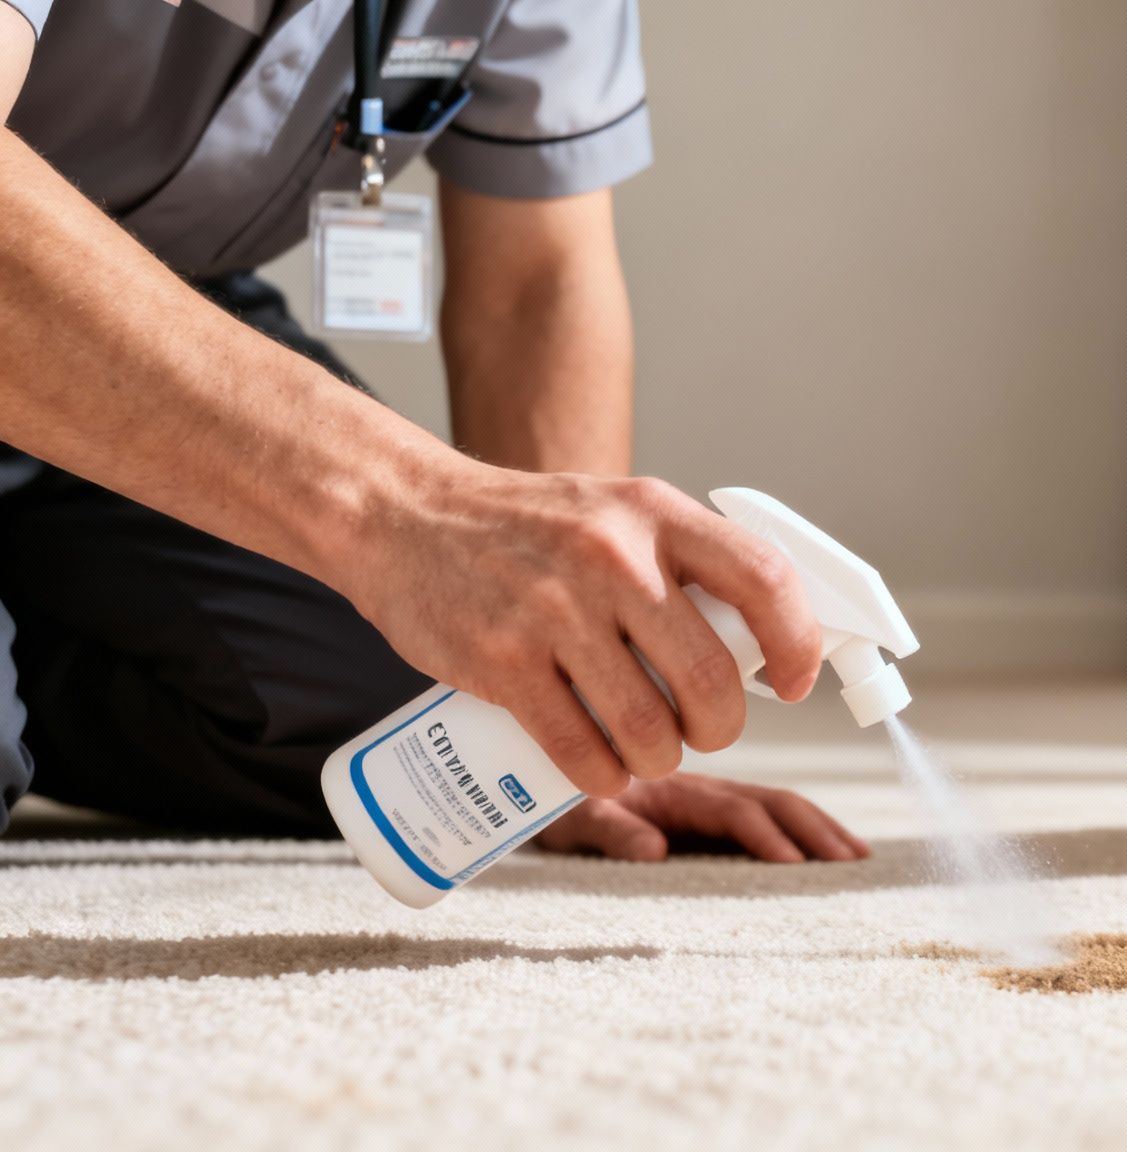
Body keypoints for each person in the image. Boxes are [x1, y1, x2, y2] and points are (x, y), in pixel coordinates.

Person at [0, 0, 870, 866]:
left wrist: (577, 704)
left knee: (428, 747)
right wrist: (410, 507)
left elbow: (535, 282)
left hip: (173, 320)